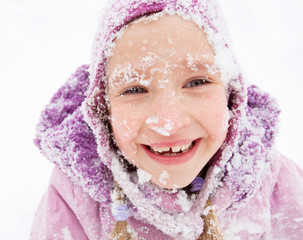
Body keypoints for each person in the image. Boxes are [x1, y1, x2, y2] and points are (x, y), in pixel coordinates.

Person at [30, 0, 303, 239]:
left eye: (196, 82)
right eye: (134, 89)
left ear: (231, 94)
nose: (169, 123)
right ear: (104, 109)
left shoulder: (272, 181)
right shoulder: (74, 198)